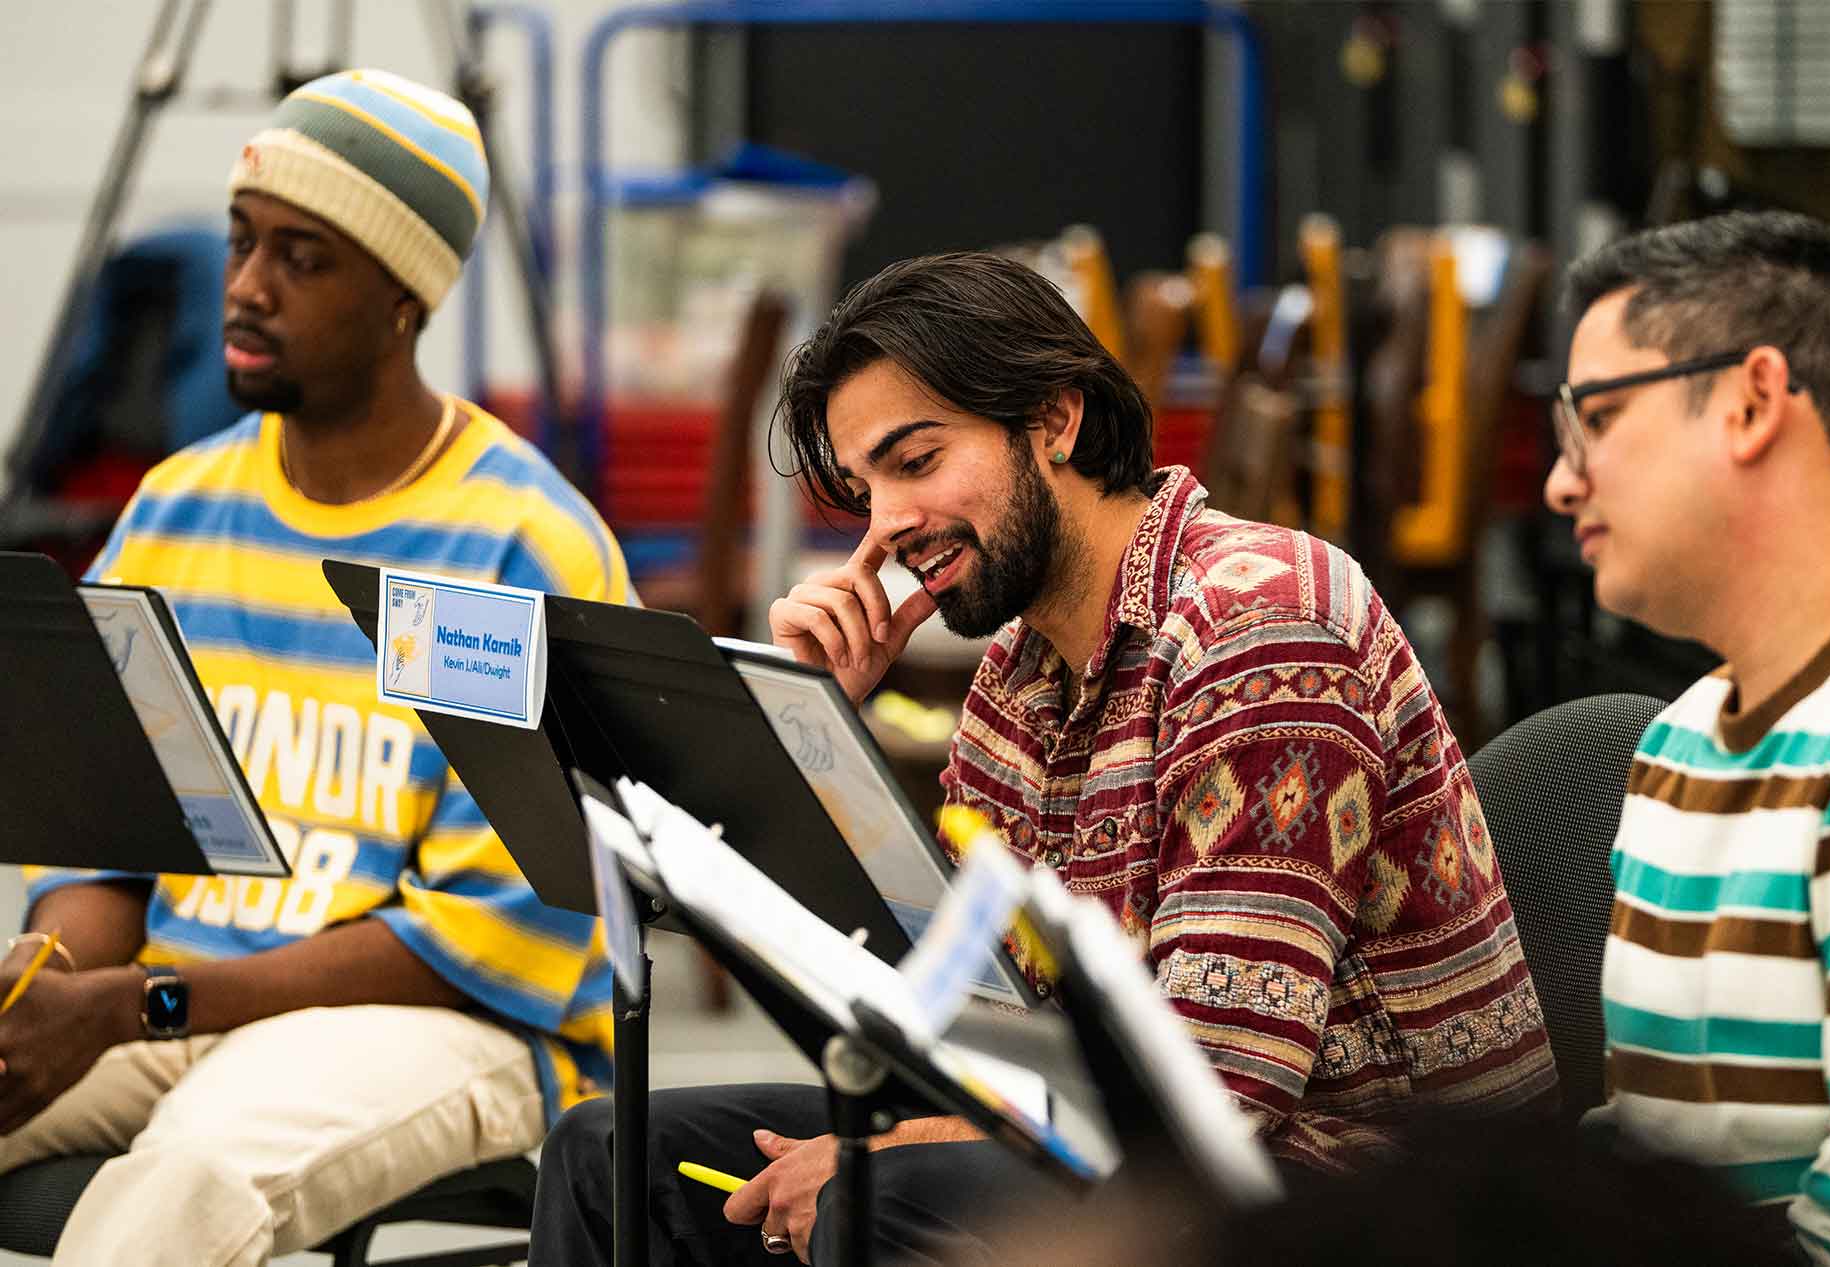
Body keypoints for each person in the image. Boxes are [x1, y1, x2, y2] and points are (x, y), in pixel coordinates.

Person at [531, 252, 1555, 1266]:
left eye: (917, 461)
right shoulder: (1021, 673)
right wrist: (811, 733)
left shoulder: (1260, 624)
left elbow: (1218, 1094)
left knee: (873, 1198)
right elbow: (940, 1019)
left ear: (1055, 420)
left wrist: (889, 1151)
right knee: (607, 1154)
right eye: (865, 486)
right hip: (1131, 1140)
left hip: (1369, 1193)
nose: (885, 525)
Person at [0, 69, 631, 1265]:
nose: (243, 287)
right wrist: (46, 980)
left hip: (454, 1024)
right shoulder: (179, 509)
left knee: (179, 1185)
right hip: (171, 992)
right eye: (243, 242)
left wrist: (132, 1004)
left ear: (404, 297)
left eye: (302, 258)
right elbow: (106, 838)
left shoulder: (513, 548)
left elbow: (480, 941)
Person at [1544, 210, 1830, 1265]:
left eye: (1599, 420)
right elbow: (1649, 1164)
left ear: (1754, 401)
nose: (1562, 481)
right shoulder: (1681, 741)